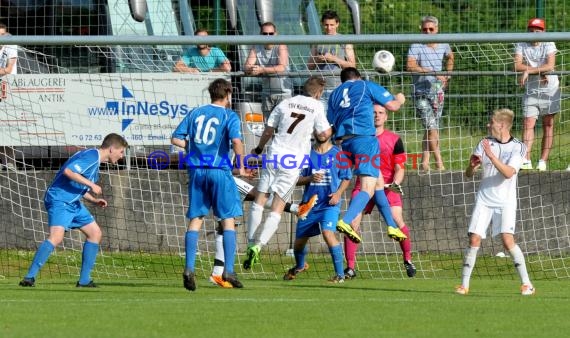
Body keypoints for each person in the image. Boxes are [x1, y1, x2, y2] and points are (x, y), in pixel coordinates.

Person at [243, 76, 332, 270]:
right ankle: (259, 246)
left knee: (259, 200)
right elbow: (324, 134)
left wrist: (258, 150)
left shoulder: (286, 102)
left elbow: (268, 130)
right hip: (293, 161)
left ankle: (250, 242)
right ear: (319, 93)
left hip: (274, 155)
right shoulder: (317, 106)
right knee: (277, 207)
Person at [19, 133, 128, 288]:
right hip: (60, 200)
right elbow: (69, 172)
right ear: (111, 149)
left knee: (95, 233)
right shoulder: (91, 156)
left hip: (73, 203)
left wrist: (94, 200)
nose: (122, 156)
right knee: (56, 238)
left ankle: (84, 280)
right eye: (121, 152)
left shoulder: (92, 161)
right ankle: (29, 278)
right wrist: (92, 185)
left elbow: (78, 185)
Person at [171, 78, 244, 291]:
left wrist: (194, 148)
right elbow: (237, 142)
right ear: (228, 94)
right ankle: (228, 270)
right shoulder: (229, 115)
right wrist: (240, 166)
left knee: (196, 219)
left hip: (196, 171)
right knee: (228, 219)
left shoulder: (195, 113)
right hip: (219, 170)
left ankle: (189, 268)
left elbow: (175, 138)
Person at [455, 108, 535, 296]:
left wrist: (491, 156)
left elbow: (508, 173)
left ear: (501, 125)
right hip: (484, 199)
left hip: (505, 202)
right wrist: (472, 167)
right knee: (474, 238)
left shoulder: (519, 146)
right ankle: (464, 285)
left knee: (507, 242)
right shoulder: (484, 143)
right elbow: (468, 175)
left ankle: (527, 284)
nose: (488, 125)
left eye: (491, 122)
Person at [327, 67, 406, 244]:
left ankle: (391, 225)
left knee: (377, 182)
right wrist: (400, 99)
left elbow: (330, 122)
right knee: (367, 189)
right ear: (358, 77)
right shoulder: (365, 85)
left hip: (344, 143)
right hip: (364, 141)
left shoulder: (334, 95)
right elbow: (392, 106)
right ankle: (346, 221)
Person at [344, 104, 416, 279]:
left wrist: (394, 183)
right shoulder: (357, 138)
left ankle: (407, 260)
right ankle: (350, 267)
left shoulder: (394, 139)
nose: (377, 115)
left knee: (398, 220)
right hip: (364, 185)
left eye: (381, 113)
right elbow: (346, 164)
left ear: (386, 117)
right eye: (373, 113)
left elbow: (400, 168)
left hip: (386, 187)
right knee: (352, 224)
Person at [208, 175, 315, 288]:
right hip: (217, 174)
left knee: (225, 225)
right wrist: (240, 169)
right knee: (257, 194)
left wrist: (239, 171)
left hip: (207, 176)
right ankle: (297, 209)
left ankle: (217, 273)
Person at [283, 130, 352, 283]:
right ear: (313, 132)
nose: (321, 133)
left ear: (331, 132)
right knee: (299, 244)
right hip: (308, 206)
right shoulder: (306, 154)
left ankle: (340, 275)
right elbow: (296, 179)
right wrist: (309, 178)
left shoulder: (339, 154)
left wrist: (338, 194)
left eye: (325, 130)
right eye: (318, 129)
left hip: (329, 205)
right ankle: (300, 266)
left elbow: (346, 178)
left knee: (328, 233)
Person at [406, 15, 454, 171]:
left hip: (437, 91)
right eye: (425, 29)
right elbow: (410, 66)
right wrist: (434, 72)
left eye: (431, 29)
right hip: (420, 92)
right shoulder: (416, 45)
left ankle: (424, 163)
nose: (427, 32)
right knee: (432, 127)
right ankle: (440, 163)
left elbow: (450, 57)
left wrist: (448, 74)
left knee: (431, 128)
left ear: (437, 29)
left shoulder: (443, 44)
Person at [514, 18, 560, 171]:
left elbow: (550, 65)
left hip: (549, 89)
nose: (534, 34)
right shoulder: (521, 43)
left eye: (538, 31)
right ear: (528, 31)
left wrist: (530, 71)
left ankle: (542, 161)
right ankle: (526, 160)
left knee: (548, 124)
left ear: (543, 32)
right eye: (531, 31)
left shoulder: (549, 43)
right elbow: (517, 65)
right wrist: (540, 71)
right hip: (531, 91)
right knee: (528, 123)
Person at [307, 10, 356, 109]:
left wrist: (334, 59)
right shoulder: (317, 40)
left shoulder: (345, 40)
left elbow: (352, 65)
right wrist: (319, 60)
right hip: (319, 89)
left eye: (332, 25)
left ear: (337, 24)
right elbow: (310, 66)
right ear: (322, 24)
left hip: (338, 87)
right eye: (326, 25)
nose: (329, 28)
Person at [244, 22, 292, 121]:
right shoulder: (256, 47)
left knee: (283, 128)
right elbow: (246, 66)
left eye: (271, 33)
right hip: (267, 93)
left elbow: (281, 67)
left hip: (284, 94)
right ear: (261, 35)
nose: (268, 36)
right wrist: (252, 69)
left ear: (276, 34)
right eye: (265, 34)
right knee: (268, 128)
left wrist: (261, 70)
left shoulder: (281, 46)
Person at [0, 23, 19, 170]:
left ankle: (10, 162)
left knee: (8, 127)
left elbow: (8, 69)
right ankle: (4, 161)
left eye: (2, 35)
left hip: (8, 90)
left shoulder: (10, 45)